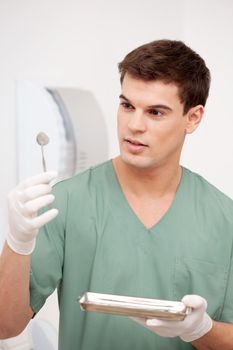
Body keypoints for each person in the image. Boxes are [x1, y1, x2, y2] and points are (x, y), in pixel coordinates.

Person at [0, 39, 233, 350]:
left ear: (192, 118)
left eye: (155, 112)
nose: (134, 125)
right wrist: (17, 242)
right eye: (127, 106)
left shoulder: (224, 217)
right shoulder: (67, 202)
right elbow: (5, 326)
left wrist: (200, 329)